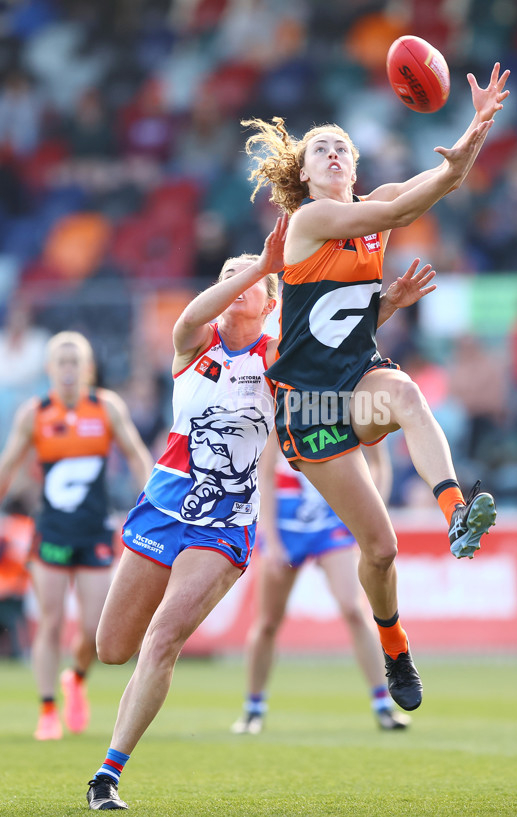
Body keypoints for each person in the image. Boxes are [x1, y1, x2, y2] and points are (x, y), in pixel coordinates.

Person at [242, 62, 509, 713]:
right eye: (320, 148)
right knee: (381, 550)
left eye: (341, 146)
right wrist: (457, 155)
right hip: (308, 406)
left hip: (358, 380)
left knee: (408, 395)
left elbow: (442, 182)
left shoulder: (373, 208)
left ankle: (456, 514)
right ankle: (395, 646)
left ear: (354, 166)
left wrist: (476, 127)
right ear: (305, 175)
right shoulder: (309, 221)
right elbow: (409, 205)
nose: (333, 152)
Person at [84, 218, 287, 811]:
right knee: (112, 648)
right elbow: (190, 314)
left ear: (270, 302)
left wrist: (387, 308)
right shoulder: (194, 342)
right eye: (225, 275)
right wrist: (258, 267)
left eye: (246, 279)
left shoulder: (277, 355)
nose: (232, 284)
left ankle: (107, 774)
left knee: (163, 638)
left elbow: (337, 353)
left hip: (224, 521)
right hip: (163, 506)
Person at [0, 331, 154, 741]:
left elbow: (136, 454)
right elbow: (9, 464)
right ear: (49, 369)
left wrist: (151, 500)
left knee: (93, 629)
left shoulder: (105, 407)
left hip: (93, 530)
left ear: (87, 369)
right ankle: (48, 709)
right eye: (61, 362)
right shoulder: (36, 413)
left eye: (75, 362)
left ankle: (76, 678)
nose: (68, 370)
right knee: (50, 621)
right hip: (51, 530)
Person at [232, 433, 410, 733]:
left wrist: (368, 519)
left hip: (332, 520)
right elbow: (266, 473)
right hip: (287, 524)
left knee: (353, 609)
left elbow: (379, 464)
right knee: (267, 622)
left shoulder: (352, 406)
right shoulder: (283, 410)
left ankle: (384, 704)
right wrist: (271, 539)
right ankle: (253, 709)